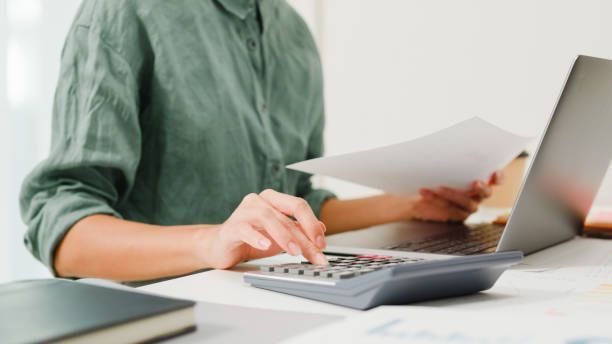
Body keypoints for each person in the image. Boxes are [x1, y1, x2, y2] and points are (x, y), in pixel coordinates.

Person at [19, 0, 502, 282]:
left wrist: (410, 206)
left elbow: (299, 208)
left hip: (274, 302)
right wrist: (212, 242)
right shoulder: (124, 12)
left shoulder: (293, 35)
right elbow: (64, 231)